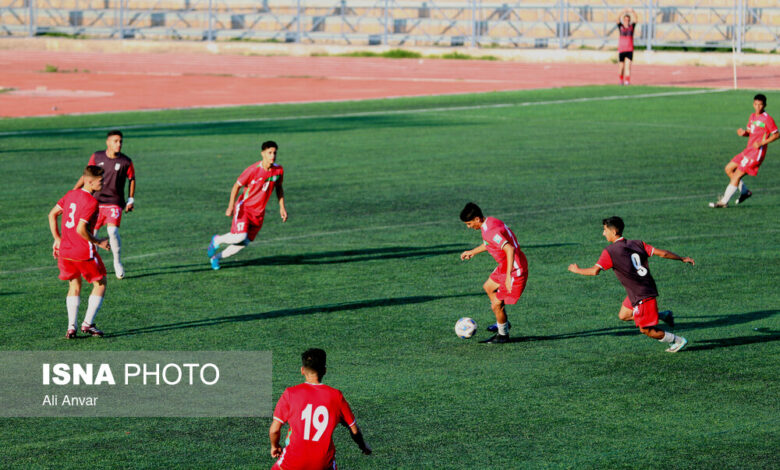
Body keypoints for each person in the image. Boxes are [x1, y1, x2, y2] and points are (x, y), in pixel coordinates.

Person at [567, 216, 693, 353]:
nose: (603, 233)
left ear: (614, 231)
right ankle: (663, 315)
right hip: (641, 289)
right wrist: (681, 258)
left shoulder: (610, 251)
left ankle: (678, 340)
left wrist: (577, 270)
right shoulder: (637, 243)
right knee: (624, 315)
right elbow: (661, 253)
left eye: (605, 230)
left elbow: (594, 271)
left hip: (641, 295)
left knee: (646, 330)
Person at [269, 348, 371, 470]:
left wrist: (274, 446)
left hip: (292, 462)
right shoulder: (336, 396)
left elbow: (275, 430)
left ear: (302, 370)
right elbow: (354, 430)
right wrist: (363, 446)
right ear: (324, 371)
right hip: (323, 464)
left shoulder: (290, 393)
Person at [48, 165, 111, 339]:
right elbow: (80, 229)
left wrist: (57, 239)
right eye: (101, 181)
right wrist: (99, 241)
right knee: (101, 282)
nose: (103, 183)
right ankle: (88, 324)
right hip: (83, 252)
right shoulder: (91, 202)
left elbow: (52, 214)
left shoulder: (70, 194)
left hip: (65, 251)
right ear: (89, 181)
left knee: (74, 286)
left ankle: (71, 327)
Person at [207, 140, 287, 270]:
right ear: (263, 154)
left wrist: (282, 207)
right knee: (240, 236)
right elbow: (236, 187)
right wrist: (230, 206)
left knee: (243, 242)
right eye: (269, 153)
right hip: (245, 208)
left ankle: (216, 258)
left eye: (274, 153)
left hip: (259, 213)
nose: (272, 156)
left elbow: (279, 188)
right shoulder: (252, 170)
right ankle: (217, 240)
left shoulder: (278, 170)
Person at [459, 202, 528, 344]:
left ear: (477, 219)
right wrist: (472, 251)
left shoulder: (490, 231)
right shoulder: (490, 221)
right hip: (504, 265)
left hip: (514, 269)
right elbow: (490, 243)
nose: (469, 227)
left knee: (497, 305)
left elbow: (509, 249)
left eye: (469, 224)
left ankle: (503, 335)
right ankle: (502, 321)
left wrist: (508, 276)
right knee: (488, 287)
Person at [74, 129, 135, 279]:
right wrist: (75, 191)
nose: (119, 144)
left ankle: (117, 262)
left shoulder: (126, 161)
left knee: (112, 231)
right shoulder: (97, 156)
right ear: (107, 142)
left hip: (114, 202)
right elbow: (87, 176)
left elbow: (132, 179)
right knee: (92, 234)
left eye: (121, 141)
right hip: (96, 202)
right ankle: (93, 264)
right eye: (115, 141)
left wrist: (131, 199)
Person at [710, 93, 778, 208]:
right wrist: (744, 133)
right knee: (728, 169)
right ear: (753, 104)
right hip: (748, 150)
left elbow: (776, 135)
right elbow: (750, 132)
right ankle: (745, 192)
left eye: (760, 105)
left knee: (737, 175)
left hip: (756, 154)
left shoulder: (768, 119)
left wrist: (762, 143)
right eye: (756, 104)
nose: (758, 107)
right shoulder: (752, 117)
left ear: (764, 105)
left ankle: (724, 202)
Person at [617, 9, 639, 86]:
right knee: (621, 67)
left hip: (629, 49)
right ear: (623, 20)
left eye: (628, 19)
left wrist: (632, 11)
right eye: (625, 19)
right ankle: (621, 79)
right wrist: (623, 11)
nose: (627, 21)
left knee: (628, 66)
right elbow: (617, 19)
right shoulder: (621, 27)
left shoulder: (631, 27)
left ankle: (627, 81)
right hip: (622, 49)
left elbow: (636, 19)